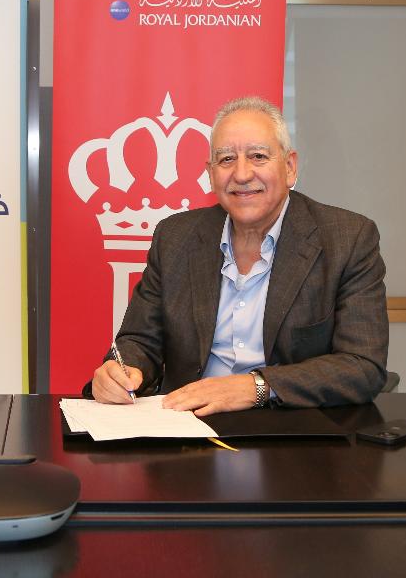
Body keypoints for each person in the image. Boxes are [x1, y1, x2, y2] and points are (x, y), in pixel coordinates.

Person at [91, 96, 388, 415]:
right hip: (188, 425)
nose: (242, 174)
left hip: (292, 427)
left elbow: (362, 366)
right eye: (226, 159)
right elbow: (139, 340)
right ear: (210, 174)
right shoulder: (175, 237)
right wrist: (122, 370)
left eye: (258, 156)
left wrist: (257, 386)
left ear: (289, 167)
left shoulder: (347, 239)